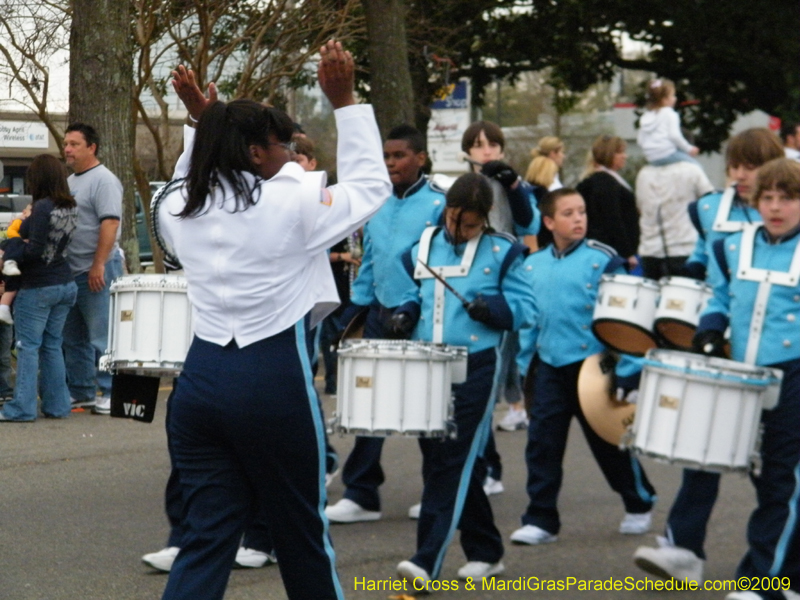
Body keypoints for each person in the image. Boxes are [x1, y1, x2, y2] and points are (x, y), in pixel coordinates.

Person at [155, 40, 390, 600]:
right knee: (304, 539)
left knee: (205, 540)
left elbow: (190, 178)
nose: (292, 153)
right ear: (258, 154)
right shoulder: (291, 201)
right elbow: (371, 187)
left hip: (199, 387)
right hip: (271, 383)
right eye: (282, 144)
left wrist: (200, 120)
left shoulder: (175, 209)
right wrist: (346, 101)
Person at [633, 128, 784, 584]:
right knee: (704, 446)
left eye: (751, 167)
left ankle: (780, 559)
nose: (740, 175)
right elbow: (706, 263)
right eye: (734, 166)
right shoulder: (708, 209)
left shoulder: (784, 213)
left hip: (776, 349)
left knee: (774, 469)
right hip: (721, 343)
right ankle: (683, 549)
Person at [388, 172, 534, 584]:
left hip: (475, 367)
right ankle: (486, 551)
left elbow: (525, 308)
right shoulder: (424, 245)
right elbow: (412, 294)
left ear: (485, 219)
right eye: (455, 220)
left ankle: (425, 561)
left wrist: (495, 309)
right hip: (426, 366)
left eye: (470, 225)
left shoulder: (503, 251)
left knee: (452, 461)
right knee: (442, 460)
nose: (459, 230)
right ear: (446, 211)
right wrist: (404, 313)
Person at [510, 188, 657, 546]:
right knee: (542, 443)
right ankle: (541, 518)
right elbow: (529, 323)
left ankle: (639, 502)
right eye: (568, 213)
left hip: (595, 366)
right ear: (548, 222)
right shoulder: (531, 265)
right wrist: (525, 365)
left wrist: (629, 367)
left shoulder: (603, 259)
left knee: (608, 440)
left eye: (582, 212)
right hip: (548, 365)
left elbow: (629, 319)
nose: (578, 219)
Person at [324, 124, 447, 524]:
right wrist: (352, 310)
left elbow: (442, 265)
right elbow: (370, 261)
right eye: (387, 157)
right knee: (368, 403)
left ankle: (438, 491)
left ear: (420, 158)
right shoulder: (375, 202)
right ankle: (362, 493)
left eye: (399, 156)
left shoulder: (438, 204)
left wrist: (419, 308)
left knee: (426, 407)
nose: (391, 163)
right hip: (378, 312)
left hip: (423, 317)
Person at [691, 158, 800, 600]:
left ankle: (761, 579)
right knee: (763, 475)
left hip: (795, 375)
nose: (775, 207)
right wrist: (710, 330)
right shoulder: (732, 246)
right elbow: (719, 295)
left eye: (787, 198)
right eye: (767, 198)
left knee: (781, 478)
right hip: (745, 376)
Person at [461, 121, 540, 439]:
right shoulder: (464, 185)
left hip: (505, 271)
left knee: (507, 347)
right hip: (469, 273)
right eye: (479, 144)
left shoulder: (512, 184)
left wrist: (514, 185)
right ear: (468, 151)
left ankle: (511, 405)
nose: (487, 150)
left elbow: (529, 222)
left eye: (492, 144)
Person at [0, 154, 78, 422]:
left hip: (39, 285)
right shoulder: (70, 206)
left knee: (28, 346)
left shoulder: (43, 207)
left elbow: (34, 252)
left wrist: (12, 245)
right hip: (65, 283)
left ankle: (22, 407)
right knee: (52, 345)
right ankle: (57, 406)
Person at [62, 122, 124, 415]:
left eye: (74, 144)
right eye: (66, 144)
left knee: (102, 335)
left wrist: (99, 264)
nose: (68, 149)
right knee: (73, 337)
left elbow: (110, 222)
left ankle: (112, 392)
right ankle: (82, 391)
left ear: (91, 147)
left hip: (98, 270)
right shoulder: (71, 182)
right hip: (72, 272)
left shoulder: (104, 180)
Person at [635, 160, 714, 280]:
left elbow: (640, 208)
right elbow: (709, 203)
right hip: (684, 248)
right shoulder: (691, 170)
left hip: (650, 249)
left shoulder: (644, 174)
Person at [577, 135, 640, 270]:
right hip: (613, 253)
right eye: (620, 152)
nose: (625, 156)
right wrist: (627, 253)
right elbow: (612, 219)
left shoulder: (590, 181)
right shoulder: (607, 183)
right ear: (608, 154)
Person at [637, 78, 700, 166]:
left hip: (651, 158)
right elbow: (674, 136)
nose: (675, 98)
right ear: (664, 100)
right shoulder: (670, 114)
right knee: (695, 166)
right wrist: (689, 148)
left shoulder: (645, 116)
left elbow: (640, 140)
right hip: (666, 154)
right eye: (673, 95)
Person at [0, 203, 32, 324]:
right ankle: (3, 307)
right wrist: (22, 241)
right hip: (14, 259)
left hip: (18, 267)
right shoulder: (21, 221)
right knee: (12, 287)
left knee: (12, 288)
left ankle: (4, 308)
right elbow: (11, 233)